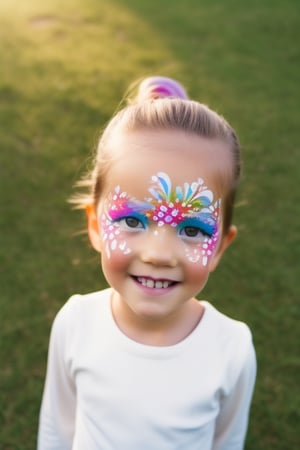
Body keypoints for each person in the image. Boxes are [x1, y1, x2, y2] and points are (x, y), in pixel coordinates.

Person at [38, 76, 256, 450]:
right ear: (94, 224)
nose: (158, 253)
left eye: (191, 228)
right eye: (133, 221)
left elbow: (228, 442)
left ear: (220, 246)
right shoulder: (76, 323)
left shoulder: (231, 349)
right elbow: (57, 427)